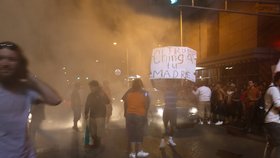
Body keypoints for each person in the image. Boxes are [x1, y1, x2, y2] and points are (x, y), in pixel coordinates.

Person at [0, 41, 62, 158]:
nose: (5, 63)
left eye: (11, 59)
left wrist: (28, 75)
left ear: (20, 64)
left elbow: (55, 100)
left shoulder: (25, 89)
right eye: (1, 58)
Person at [122, 78, 150, 158]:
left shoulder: (129, 92)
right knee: (139, 133)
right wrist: (146, 114)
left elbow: (125, 102)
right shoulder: (144, 92)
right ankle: (140, 151)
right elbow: (146, 104)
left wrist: (125, 112)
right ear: (141, 84)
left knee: (131, 133)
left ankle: (133, 153)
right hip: (140, 115)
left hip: (129, 115)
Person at [84, 80, 110, 148]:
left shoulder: (102, 93)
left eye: (92, 87)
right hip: (92, 115)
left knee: (99, 131)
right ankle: (95, 142)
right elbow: (87, 105)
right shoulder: (90, 95)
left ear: (96, 87)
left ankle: (97, 143)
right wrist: (86, 113)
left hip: (100, 115)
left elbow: (107, 102)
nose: (90, 88)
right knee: (92, 131)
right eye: (90, 87)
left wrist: (103, 96)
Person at [263, 72, 280, 158]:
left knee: (271, 144)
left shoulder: (273, 88)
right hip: (273, 121)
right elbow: (278, 106)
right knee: (278, 144)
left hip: (270, 121)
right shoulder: (274, 90)